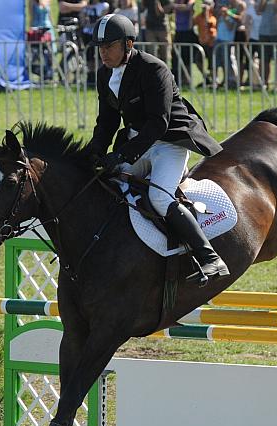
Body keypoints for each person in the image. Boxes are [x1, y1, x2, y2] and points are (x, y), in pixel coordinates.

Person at [86, 14, 228, 283]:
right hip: (139, 143)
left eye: (109, 46)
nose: (103, 52)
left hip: (169, 143)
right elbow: (106, 121)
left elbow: (158, 123)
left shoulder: (154, 69)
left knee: (160, 198)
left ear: (128, 44)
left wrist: (123, 154)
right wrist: (93, 154)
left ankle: (209, 257)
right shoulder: (104, 74)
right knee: (106, 183)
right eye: (100, 47)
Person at [171, 0, 199, 86]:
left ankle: (187, 80)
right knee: (176, 57)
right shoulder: (177, 1)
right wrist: (176, 5)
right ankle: (177, 80)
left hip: (188, 32)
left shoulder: (190, 1)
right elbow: (169, 7)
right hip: (178, 32)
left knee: (187, 58)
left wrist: (175, 6)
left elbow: (188, 7)